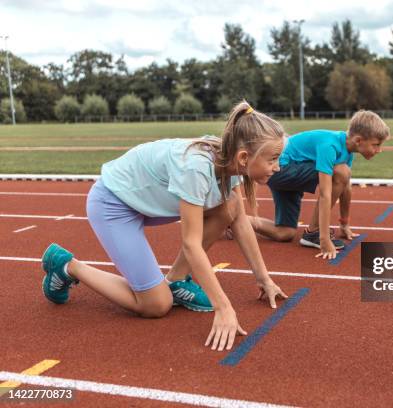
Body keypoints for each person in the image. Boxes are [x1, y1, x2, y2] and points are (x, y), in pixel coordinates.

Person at [41, 101, 288, 351]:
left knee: (230, 206)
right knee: (156, 305)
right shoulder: (197, 168)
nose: (277, 167)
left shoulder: (232, 159)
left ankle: (177, 280)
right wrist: (223, 307)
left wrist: (264, 279)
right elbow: (191, 244)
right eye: (273, 159)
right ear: (244, 157)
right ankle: (67, 265)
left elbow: (239, 220)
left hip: (146, 203)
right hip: (113, 205)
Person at [249, 110, 390, 260]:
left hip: (289, 175)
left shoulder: (347, 151)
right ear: (358, 140)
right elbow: (325, 194)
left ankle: (237, 221)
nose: (379, 150)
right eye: (376, 145)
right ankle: (313, 233)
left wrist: (344, 224)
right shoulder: (330, 145)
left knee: (285, 233)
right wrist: (325, 240)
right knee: (341, 171)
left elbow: (345, 188)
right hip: (279, 170)